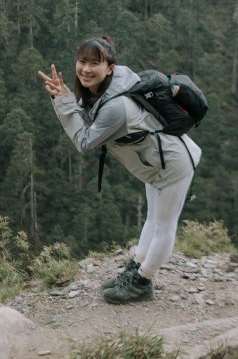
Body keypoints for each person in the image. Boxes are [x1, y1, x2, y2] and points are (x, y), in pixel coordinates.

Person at [37, 35, 201, 304]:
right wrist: (67, 96)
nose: (86, 69)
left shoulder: (116, 106)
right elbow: (89, 112)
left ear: (110, 67)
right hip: (156, 161)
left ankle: (143, 282)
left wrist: (63, 102)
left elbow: (85, 141)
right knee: (152, 219)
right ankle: (136, 268)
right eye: (82, 62)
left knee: (163, 225)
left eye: (95, 63)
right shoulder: (113, 85)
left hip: (172, 163)